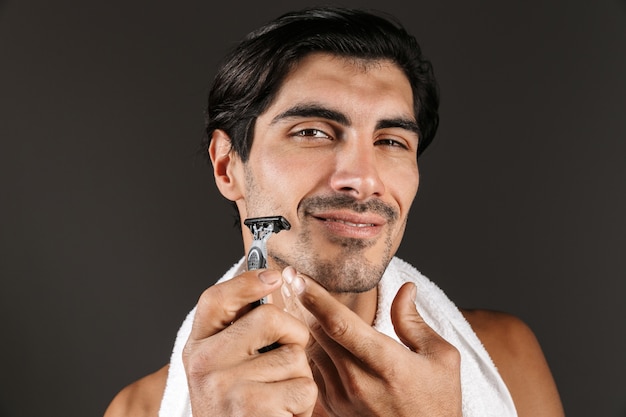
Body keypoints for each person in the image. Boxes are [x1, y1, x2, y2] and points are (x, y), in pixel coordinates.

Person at [104, 6, 564, 417]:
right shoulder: (140, 409)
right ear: (228, 166)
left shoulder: (504, 357)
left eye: (390, 141)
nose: (363, 179)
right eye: (312, 133)